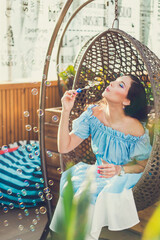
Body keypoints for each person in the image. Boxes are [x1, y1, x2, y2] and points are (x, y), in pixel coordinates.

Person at [50, 74, 152, 240]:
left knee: (85, 194)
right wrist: (66, 110)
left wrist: (119, 169)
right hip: (100, 173)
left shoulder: (135, 129)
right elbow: (64, 146)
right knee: (71, 181)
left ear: (127, 101)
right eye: (115, 80)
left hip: (124, 175)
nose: (112, 83)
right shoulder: (93, 115)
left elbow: (143, 166)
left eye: (120, 85)